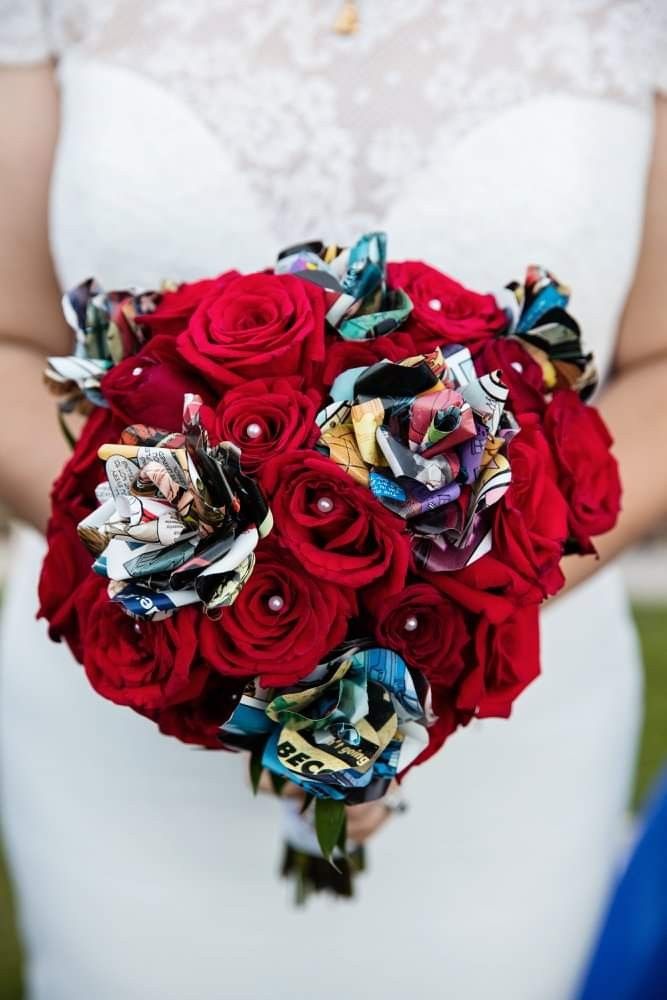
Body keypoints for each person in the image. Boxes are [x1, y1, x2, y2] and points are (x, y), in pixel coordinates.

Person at [0, 2, 665, 998]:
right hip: (129, 719)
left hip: (507, 733)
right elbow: (10, 336)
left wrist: (451, 610)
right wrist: (191, 577)